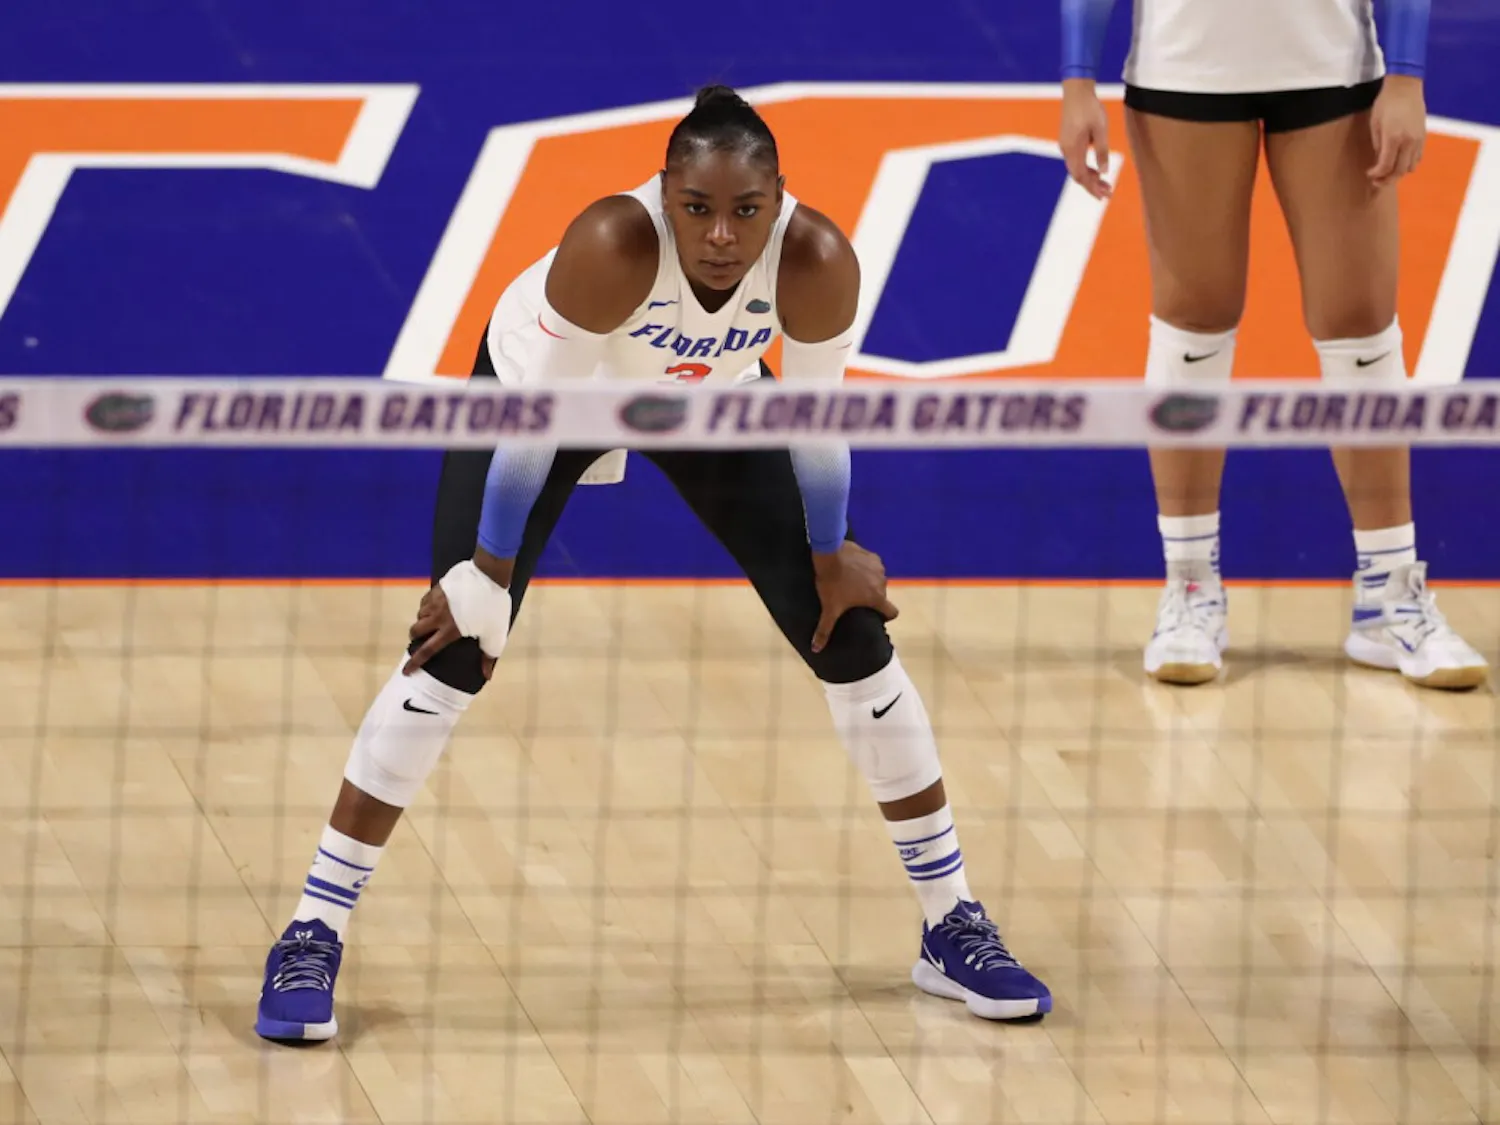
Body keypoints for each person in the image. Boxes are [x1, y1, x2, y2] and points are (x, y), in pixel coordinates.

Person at [254, 85, 1052, 1042]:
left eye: (746, 210)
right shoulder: (612, 243)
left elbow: (816, 421)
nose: (722, 234)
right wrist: (488, 575)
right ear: (665, 193)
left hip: (705, 404)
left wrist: (833, 553)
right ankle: (313, 927)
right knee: (456, 651)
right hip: (544, 405)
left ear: (779, 199)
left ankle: (949, 921)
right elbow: (534, 426)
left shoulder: (816, 259)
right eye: (700, 208)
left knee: (851, 637)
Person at [1059, 0, 1489, 689]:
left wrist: (1405, 75)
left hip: (1333, 67)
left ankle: (1389, 598)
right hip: (1186, 69)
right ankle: (1192, 588)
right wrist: (1078, 78)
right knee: (1193, 319)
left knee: (1360, 323)